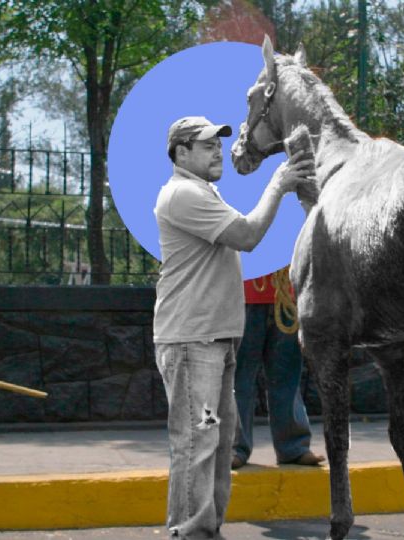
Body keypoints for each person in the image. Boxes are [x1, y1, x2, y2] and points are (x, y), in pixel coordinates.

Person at [154, 116, 312, 539]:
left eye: (218, 144)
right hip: (193, 343)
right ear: (181, 153)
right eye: (207, 145)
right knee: (199, 441)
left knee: (217, 443)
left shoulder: (204, 192)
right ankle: (192, 532)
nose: (217, 150)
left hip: (212, 340)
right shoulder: (184, 194)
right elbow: (246, 235)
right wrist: (278, 184)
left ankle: (205, 528)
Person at [231, 267, 324, 469]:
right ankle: (234, 447)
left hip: (286, 297)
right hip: (241, 297)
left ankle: (294, 448)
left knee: (287, 377)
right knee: (239, 379)